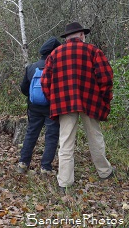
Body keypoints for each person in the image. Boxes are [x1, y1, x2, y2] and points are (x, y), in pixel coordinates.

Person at [41, 22, 115, 194]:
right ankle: (105, 173)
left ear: (67, 38)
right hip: (90, 101)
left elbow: (45, 81)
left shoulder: (55, 54)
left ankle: (65, 183)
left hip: (65, 103)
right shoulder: (93, 51)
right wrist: (104, 99)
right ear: (81, 35)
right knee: (95, 138)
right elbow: (106, 78)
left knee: (66, 142)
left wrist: (54, 99)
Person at [17, 37, 61, 175]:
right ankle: (45, 168)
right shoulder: (58, 68)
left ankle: (23, 163)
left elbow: (24, 88)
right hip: (52, 108)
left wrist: (34, 99)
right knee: (51, 136)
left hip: (34, 107)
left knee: (31, 134)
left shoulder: (31, 67)